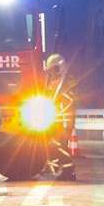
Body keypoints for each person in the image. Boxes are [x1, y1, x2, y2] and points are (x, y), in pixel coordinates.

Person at [41, 52, 79, 181]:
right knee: (52, 144)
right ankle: (60, 168)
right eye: (49, 71)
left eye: (53, 70)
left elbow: (68, 101)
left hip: (64, 120)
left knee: (57, 144)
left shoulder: (67, 82)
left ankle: (69, 170)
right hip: (54, 120)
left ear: (59, 68)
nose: (51, 74)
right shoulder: (53, 83)